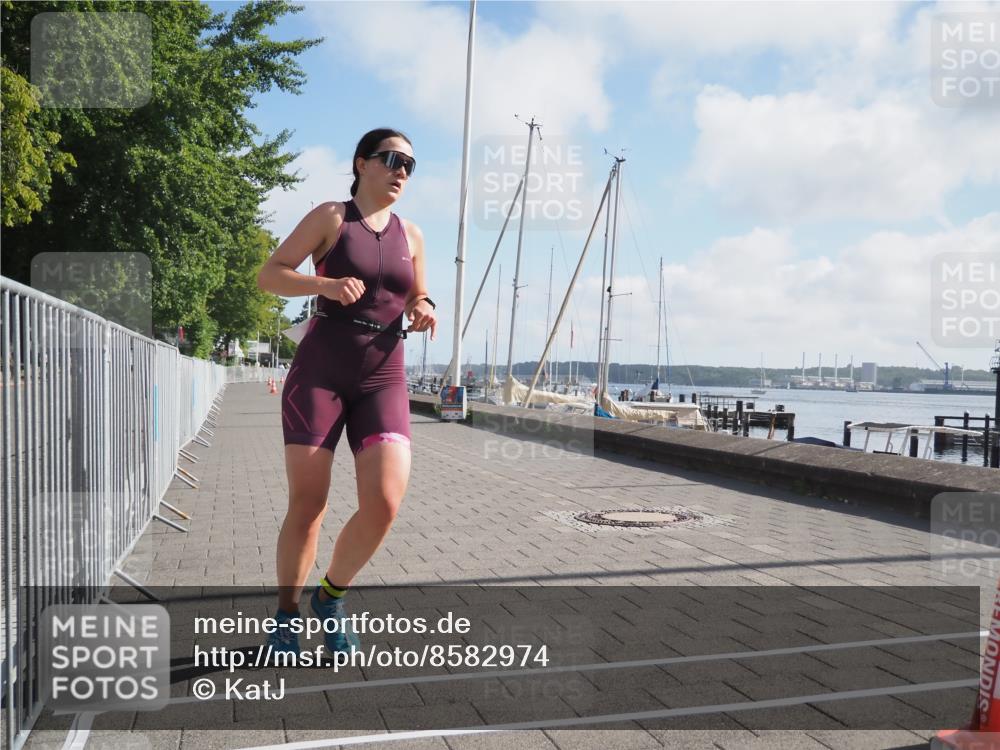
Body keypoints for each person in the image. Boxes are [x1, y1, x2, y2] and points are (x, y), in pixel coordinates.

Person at [256, 128, 437, 657]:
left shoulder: (413, 235)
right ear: (361, 163)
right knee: (309, 504)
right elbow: (270, 275)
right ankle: (286, 615)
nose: (401, 170)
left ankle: (330, 596)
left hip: (384, 374)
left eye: (410, 163)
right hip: (321, 374)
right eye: (391, 158)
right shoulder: (331, 218)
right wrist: (325, 286)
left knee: (383, 502)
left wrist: (424, 306)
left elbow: (417, 291)